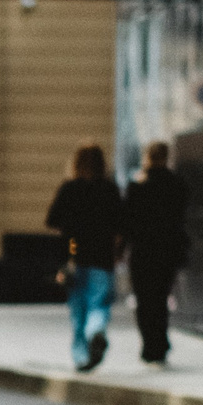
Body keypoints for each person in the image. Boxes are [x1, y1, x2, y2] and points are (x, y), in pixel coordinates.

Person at [45, 144, 121, 371]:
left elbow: (52, 219)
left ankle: (81, 357)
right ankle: (96, 330)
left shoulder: (68, 188)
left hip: (73, 256)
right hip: (102, 257)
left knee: (78, 310)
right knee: (99, 303)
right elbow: (121, 222)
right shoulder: (109, 189)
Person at [120, 140, 188, 366]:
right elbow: (181, 220)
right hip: (168, 251)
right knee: (160, 297)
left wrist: (120, 250)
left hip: (142, 252)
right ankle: (160, 341)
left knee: (144, 299)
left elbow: (127, 223)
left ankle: (151, 344)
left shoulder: (137, 185)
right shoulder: (177, 184)